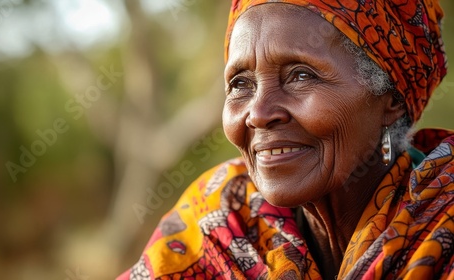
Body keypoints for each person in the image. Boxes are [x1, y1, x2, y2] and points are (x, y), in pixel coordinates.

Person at [118, 0, 454, 279]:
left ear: (390, 99)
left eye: (301, 76)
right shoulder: (220, 219)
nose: (259, 113)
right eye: (240, 83)